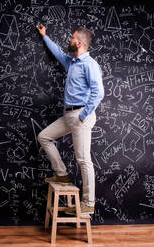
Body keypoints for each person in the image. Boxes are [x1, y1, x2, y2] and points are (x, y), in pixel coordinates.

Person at [36, 24, 104, 214]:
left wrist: (83, 115)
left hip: (81, 115)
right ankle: (62, 174)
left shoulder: (89, 64)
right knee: (44, 137)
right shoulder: (73, 62)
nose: (69, 39)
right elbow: (58, 52)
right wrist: (45, 36)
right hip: (69, 115)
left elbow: (99, 93)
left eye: (72, 37)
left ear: (79, 42)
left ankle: (88, 203)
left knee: (83, 160)